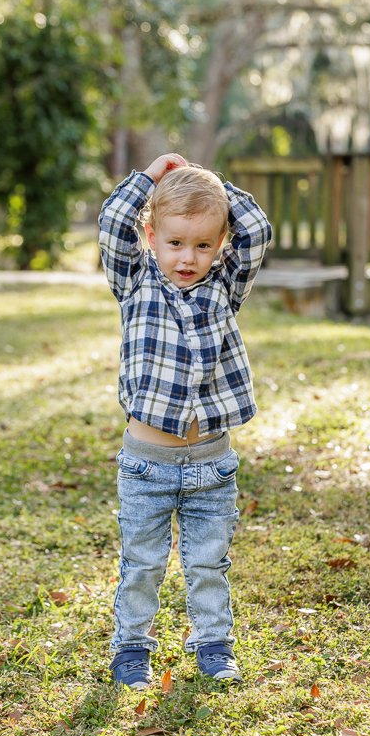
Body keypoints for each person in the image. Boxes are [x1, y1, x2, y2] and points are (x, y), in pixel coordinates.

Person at [98, 154, 271, 689]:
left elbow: (257, 229)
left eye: (202, 244)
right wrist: (150, 178)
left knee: (207, 564)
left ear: (220, 242)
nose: (188, 257)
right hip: (147, 465)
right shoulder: (134, 280)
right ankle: (131, 648)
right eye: (175, 243)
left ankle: (214, 646)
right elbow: (111, 221)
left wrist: (217, 187)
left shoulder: (226, 285)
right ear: (151, 236)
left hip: (211, 463)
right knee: (143, 566)